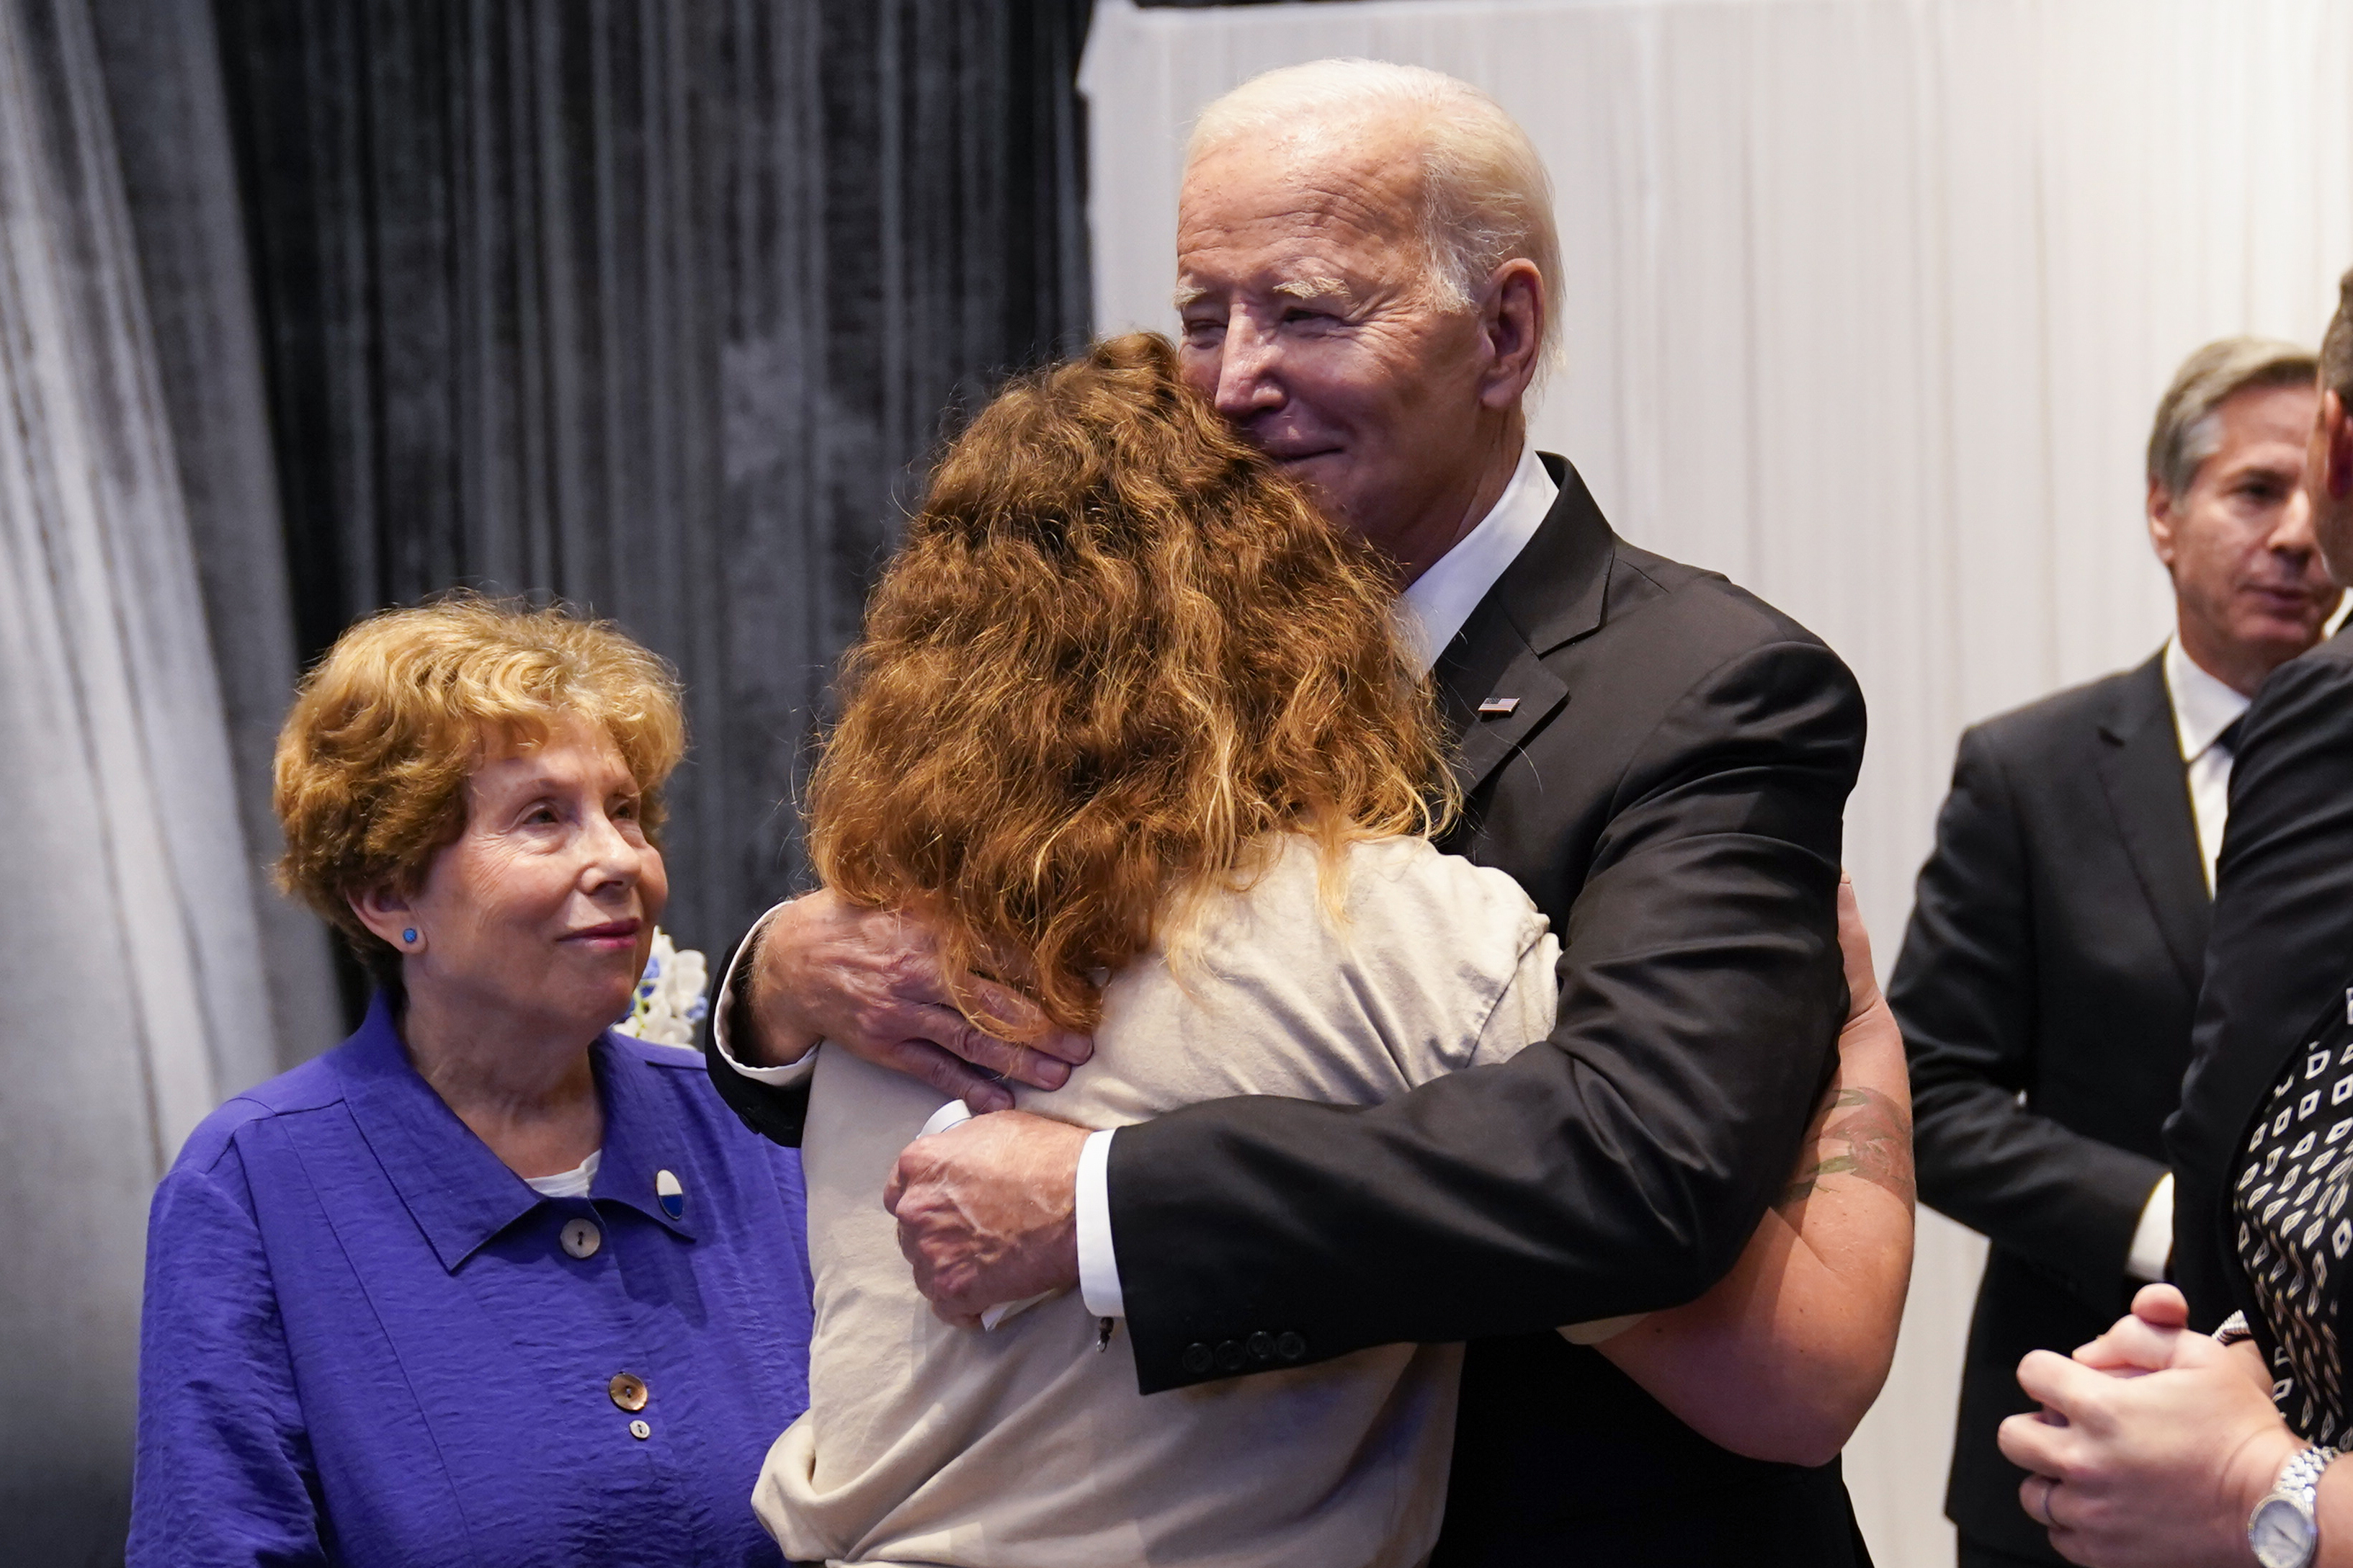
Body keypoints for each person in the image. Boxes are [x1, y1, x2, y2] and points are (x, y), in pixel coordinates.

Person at [710, 61, 1872, 1562]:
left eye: (1308, 313)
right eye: (1204, 317)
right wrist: (780, 973)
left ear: (1501, 333)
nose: (1234, 380)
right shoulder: (1133, 681)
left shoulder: (1707, 688)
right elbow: (952, 1036)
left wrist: (1107, 1205)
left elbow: (1638, 1170)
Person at [127, 599, 815, 1568]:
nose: (618, 858)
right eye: (544, 818)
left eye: (625, 811)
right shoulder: (254, 1185)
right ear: (390, 894)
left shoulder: (754, 1125)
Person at [1895, 337, 2334, 1568]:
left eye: (2320, 488)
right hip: (2084, 1420)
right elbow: (1926, 1092)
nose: (2297, 532)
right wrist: (2161, 1213)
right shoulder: (2026, 772)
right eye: (2254, 490)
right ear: (2162, 509)